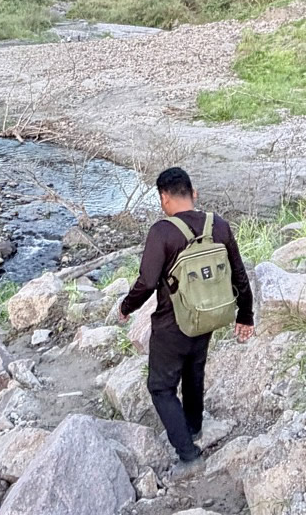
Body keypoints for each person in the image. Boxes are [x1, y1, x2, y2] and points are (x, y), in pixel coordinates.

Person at [118, 167, 254, 476]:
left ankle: (189, 455)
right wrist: (245, 314)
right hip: (209, 314)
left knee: (160, 386)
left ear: (164, 198)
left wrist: (126, 307)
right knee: (194, 372)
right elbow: (239, 274)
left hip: (172, 323)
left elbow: (147, 281)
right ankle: (193, 427)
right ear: (193, 193)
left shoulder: (162, 232)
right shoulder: (218, 225)